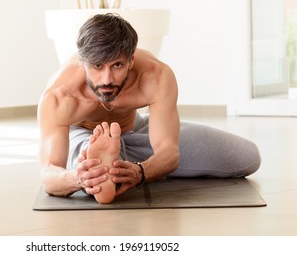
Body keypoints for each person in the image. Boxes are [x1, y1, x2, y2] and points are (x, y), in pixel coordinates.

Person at [37, 13, 261, 204]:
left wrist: (141, 172)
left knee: (247, 157)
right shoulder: (59, 97)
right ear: (83, 63)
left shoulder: (156, 76)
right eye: (97, 66)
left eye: (117, 65)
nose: (107, 79)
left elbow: (167, 151)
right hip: (83, 135)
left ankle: (113, 167)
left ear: (131, 61)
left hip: (138, 132)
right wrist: (78, 178)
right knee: (93, 171)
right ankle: (101, 170)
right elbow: (48, 173)